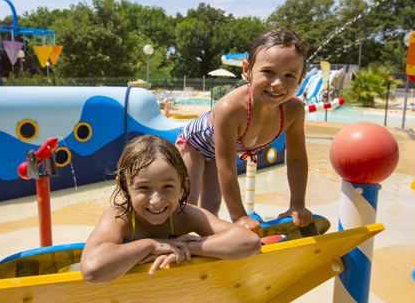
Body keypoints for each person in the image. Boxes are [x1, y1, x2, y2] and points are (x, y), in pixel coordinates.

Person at [176, 27, 312, 232]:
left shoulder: (294, 111)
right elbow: (227, 167)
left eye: (289, 75)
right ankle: (175, 241)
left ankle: (205, 246)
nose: (277, 83)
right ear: (247, 70)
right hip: (194, 145)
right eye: (268, 72)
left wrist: (297, 205)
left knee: (211, 208)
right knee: (187, 206)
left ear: (301, 78)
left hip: (217, 151)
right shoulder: (230, 109)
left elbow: (297, 158)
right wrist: (239, 217)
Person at [81, 135, 260, 283]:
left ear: (182, 186)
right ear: (125, 187)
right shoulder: (120, 217)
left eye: (167, 187)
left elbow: (248, 241)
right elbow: (92, 270)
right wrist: (151, 245)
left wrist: (187, 247)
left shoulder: (184, 215)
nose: (156, 201)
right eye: (144, 188)